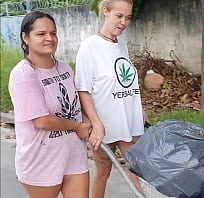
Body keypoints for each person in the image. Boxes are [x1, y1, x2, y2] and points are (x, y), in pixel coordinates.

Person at [8, 11, 91, 198]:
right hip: (41, 160)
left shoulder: (63, 67)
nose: (50, 38)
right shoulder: (23, 74)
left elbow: (77, 102)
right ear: (25, 37)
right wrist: (78, 127)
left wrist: (87, 121)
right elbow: (42, 121)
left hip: (73, 154)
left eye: (53, 33)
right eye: (41, 34)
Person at [75, 0, 148, 197]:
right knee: (103, 170)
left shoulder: (121, 44)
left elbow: (126, 80)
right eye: (119, 16)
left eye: (128, 17)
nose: (124, 22)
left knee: (137, 168)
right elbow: (83, 90)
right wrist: (96, 123)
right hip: (105, 123)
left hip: (128, 120)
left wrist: (139, 109)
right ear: (106, 12)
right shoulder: (89, 47)